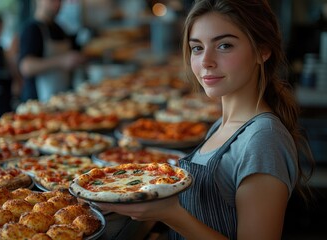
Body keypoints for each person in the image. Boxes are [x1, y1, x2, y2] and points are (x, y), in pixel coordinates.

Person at [94, 0, 315, 239]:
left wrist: (170, 214)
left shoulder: (264, 140)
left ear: (262, 51)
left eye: (224, 45)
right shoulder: (221, 125)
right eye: (197, 48)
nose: (206, 61)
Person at [18, 0, 86, 102]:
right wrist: (61, 61)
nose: (57, 4)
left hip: (62, 98)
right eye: (52, 1)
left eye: (59, 1)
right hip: (39, 102)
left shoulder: (60, 29)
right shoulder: (32, 29)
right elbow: (26, 67)